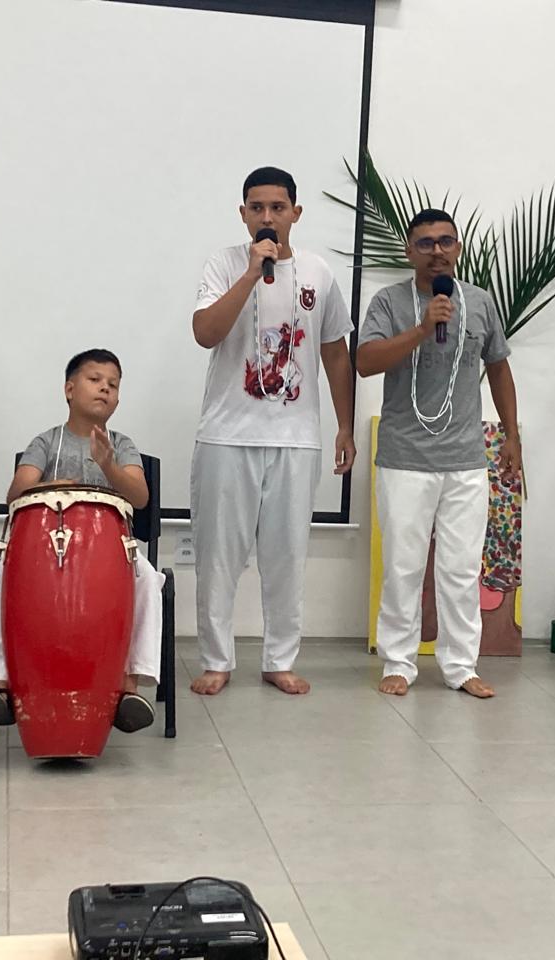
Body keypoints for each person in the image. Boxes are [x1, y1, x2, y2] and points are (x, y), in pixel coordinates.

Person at [189, 166, 355, 696]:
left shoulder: (318, 272)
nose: (267, 217)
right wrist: (250, 273)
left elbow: (335, 352)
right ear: (243, 214)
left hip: (295, 437)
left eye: (277, 208)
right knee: (218, 556)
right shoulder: (224, 264)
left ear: (295, 214)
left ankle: (279, 659)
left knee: (287, 557)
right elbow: (205, 333)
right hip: (226, 435)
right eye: (257, 208)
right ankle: (217, 660)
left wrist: (345, 426)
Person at [356, 209, 520, 698]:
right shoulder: (389, 302)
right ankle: (399, 663)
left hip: (466, 459)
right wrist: (423, 329)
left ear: (458, 248)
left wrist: (512, 436)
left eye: (446, 241)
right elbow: (365, 362)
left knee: (461, 570)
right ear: (409, 251)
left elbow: (499, 368)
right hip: (404, 458)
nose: (437, 251)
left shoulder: (479, 301)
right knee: (403, 567)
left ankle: (461, 666)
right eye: (425, 243)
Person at [0, 349, 160, 733]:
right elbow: (15, 494)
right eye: (95, 380)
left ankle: (128, 687)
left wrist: (108, 465)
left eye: (113, 384)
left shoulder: (121, 444)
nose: (105, 388)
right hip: (43, 550)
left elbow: (139, 498)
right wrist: (50, 486)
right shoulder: (46, 442)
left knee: (149, 581)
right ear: (69, 389)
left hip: (112, 555)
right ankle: (0, 684)